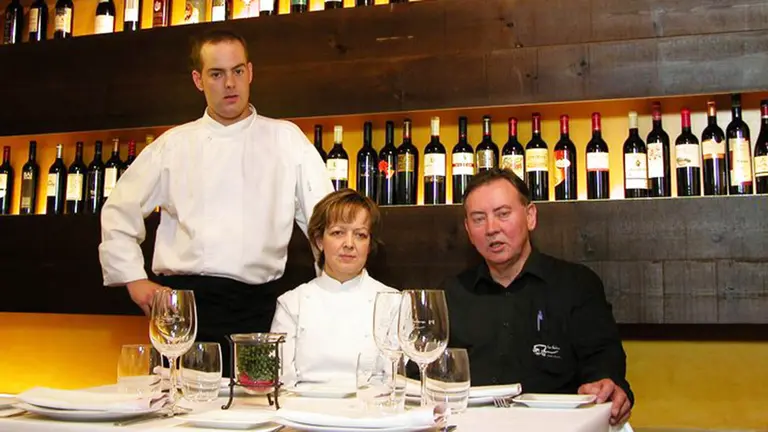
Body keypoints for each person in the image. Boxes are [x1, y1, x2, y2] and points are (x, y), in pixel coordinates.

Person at [98, 29, 334, 375]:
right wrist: (134, 279)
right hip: (185, 308)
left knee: (256, 413)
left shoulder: (286, 140)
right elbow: (119, 210)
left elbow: (325, 222)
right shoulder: (174, 145)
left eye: (238, 71)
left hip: (260, 311)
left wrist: (330, 294)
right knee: (179, 415)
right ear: (198, 80)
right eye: (217, 73)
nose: (230, 84)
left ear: (250, 73)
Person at [442, 168, 633, 426]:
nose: (491, 228)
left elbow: (603, 362)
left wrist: (607, 385)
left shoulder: (576, 285)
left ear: (530, 216)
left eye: (503, 214)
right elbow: (425, 373)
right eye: (478, 219)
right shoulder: (450, 294)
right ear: (467, 229)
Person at [270, 189, 398, 386]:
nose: (349, 244)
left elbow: (394, 379)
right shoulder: (292, 303)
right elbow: (280, 381)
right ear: (320, 241)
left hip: (370, 409)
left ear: (369, 243)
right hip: (304, 410)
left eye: (360, 235)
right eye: (338, 233)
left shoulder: (392, 301)